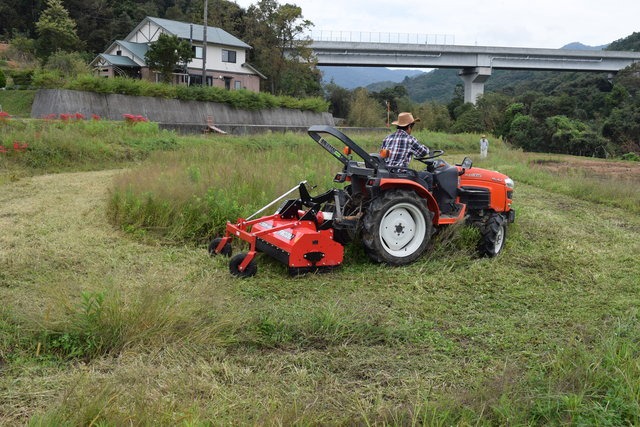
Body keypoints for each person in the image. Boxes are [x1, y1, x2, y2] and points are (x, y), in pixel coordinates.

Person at [381, 112, 432, 188]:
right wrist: (428, 150)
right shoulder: (410, 139)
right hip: (401, 174)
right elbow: (423, 152)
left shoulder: (387, 138)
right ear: (409, 127)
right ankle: (428, 198)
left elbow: (382, 155)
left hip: (387, 172)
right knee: (429, 176)